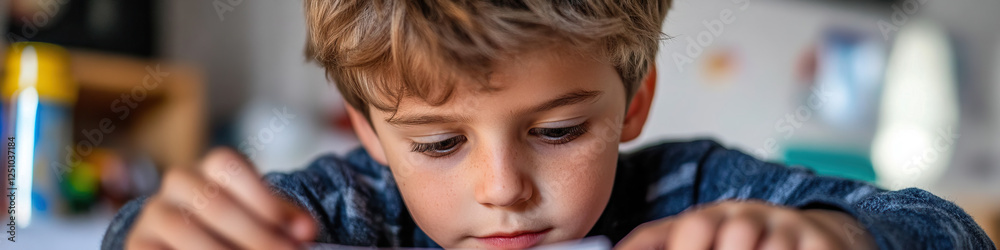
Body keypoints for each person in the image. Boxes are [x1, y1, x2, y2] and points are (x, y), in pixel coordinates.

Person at [102, 0, 994, 249]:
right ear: (371, 136)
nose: (501, 190)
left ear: (632, 101)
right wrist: (148, 235)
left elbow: (949, 231)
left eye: (559, 131)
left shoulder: (689, 194)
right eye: (439, 143)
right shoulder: (349, 210)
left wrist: (832, 236)